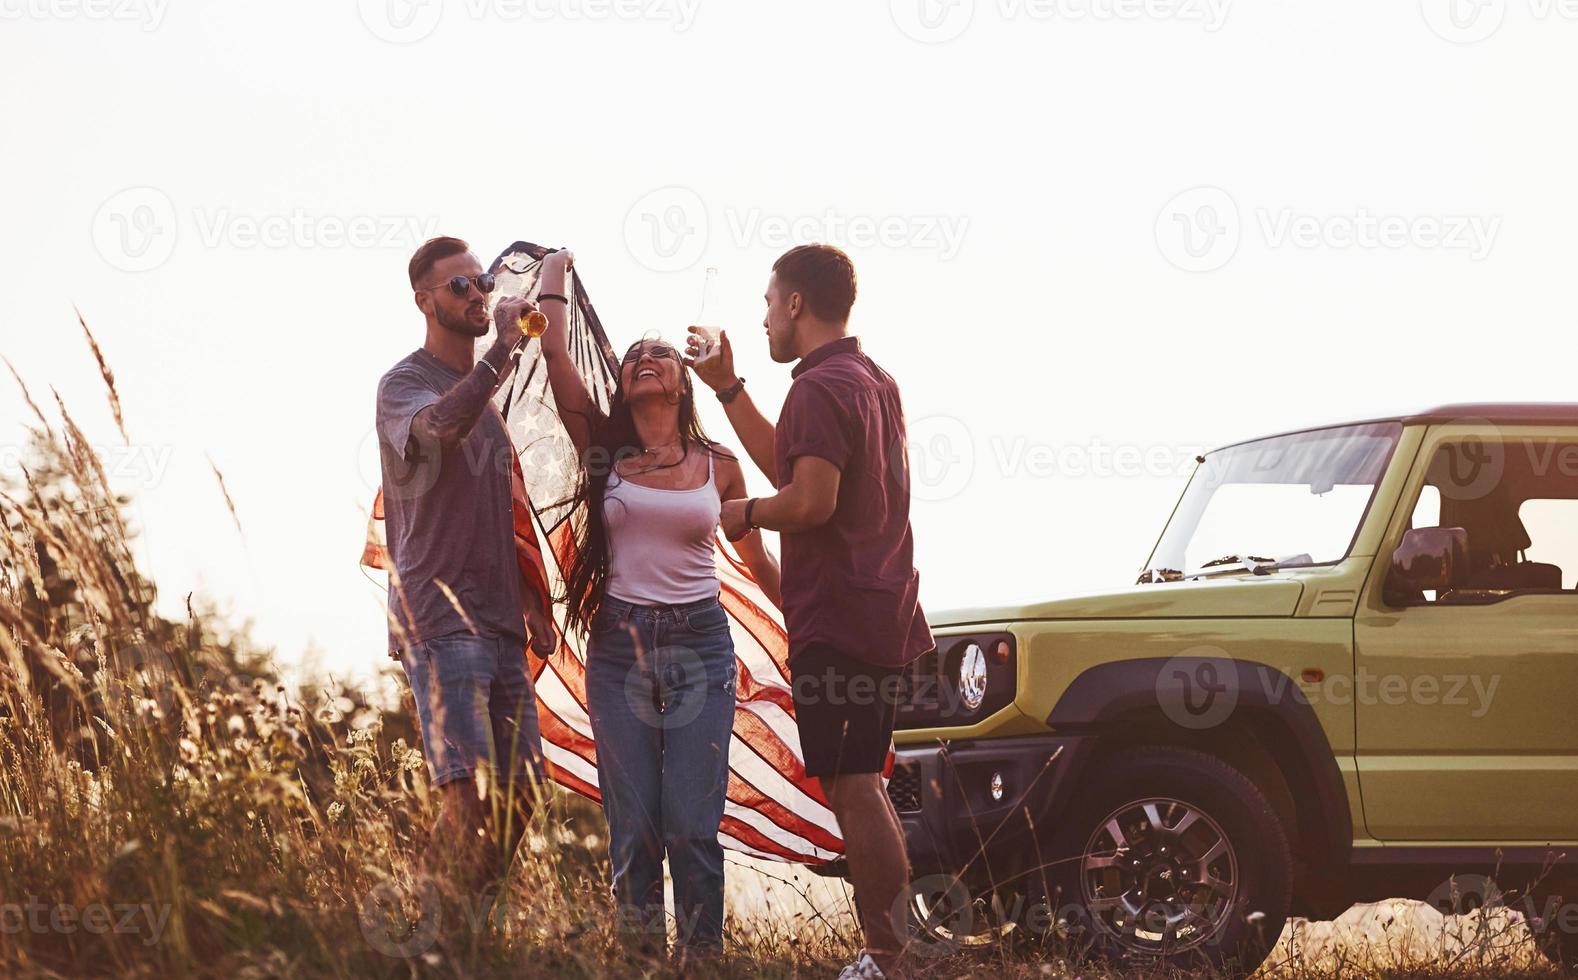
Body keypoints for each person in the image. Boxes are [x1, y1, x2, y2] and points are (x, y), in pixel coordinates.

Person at [685, 244, 933, 980]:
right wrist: (729, 388)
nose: (763, 316)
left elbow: (808, 501)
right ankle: (895, 954)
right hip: (879, 610)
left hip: (842, 615)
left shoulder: (820, 388)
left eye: (768, 303)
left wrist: (744, 514)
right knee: (865, 778)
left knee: (855, 784)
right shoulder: (868, 379)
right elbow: (799, 467)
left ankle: (888, 960)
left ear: (796, 303)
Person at [534, 249, 782, 960]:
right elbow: (552, 346)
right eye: (634, 356)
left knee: (691, 826)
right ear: (622, 382)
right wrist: (557, 268)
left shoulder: (720, 465)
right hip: (619, 649)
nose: (645, 358)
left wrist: (808, 627)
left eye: (660, 354)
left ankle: (701, 965)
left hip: (701, 646)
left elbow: (757, 559)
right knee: (635, 826)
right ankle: (639, 965)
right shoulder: (602, 452)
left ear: (681, 382)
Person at [375, 236, 557, 903]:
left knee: (524, 790)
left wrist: (532, 601)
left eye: (481, 281)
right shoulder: (406, 384)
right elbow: (435, 432)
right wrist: (505, 352)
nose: (478, 294)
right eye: (459, 286)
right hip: (439, 620)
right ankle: (436, 943)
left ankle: (461, 930)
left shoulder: (489, 411)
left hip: (500, 623)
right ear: (424, 300)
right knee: (467, 790)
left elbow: (501, 515)